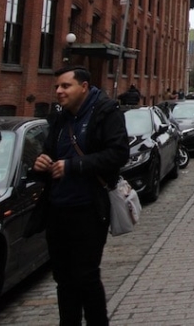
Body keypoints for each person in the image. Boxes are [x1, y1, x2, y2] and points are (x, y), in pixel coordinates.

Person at [33, 66, 128, 326]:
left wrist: (73, 165)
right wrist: (41, 163)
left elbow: (118, 155)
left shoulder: (106, 112)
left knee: (86, 276)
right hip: (58, 209)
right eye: (57, 87)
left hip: (89, 209)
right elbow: (50, 154)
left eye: (65, 86)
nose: (59, 91)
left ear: (83, 87)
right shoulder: (60, 119)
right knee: (63, 279)